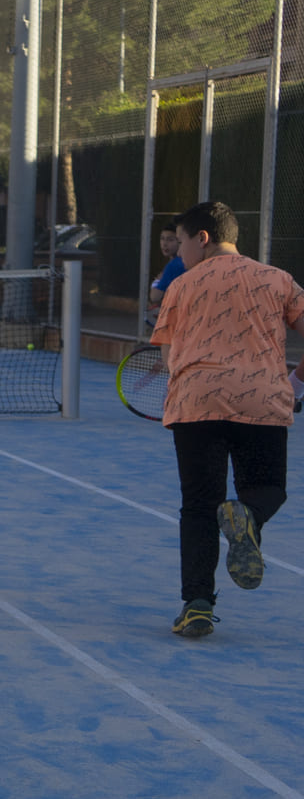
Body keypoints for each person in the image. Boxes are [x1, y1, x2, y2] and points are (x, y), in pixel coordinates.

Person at [149, 200, 304, 637]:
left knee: (198, 507)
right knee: (268, 489)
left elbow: (168, 354)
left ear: (202, 238)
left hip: (196, 404)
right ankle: (249, 515)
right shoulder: (279, 280)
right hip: (263, 401)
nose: (179, 254)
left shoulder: (181, 286)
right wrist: (296, 384)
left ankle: (197, 604)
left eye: (181, 244)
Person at [146, 226, 185, 327]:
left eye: (170, 239)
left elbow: (154, 296)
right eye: (162, 238)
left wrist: (157, 281)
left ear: (180, 241)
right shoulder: (187, 261)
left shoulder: (174, 265)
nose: (164, 244)